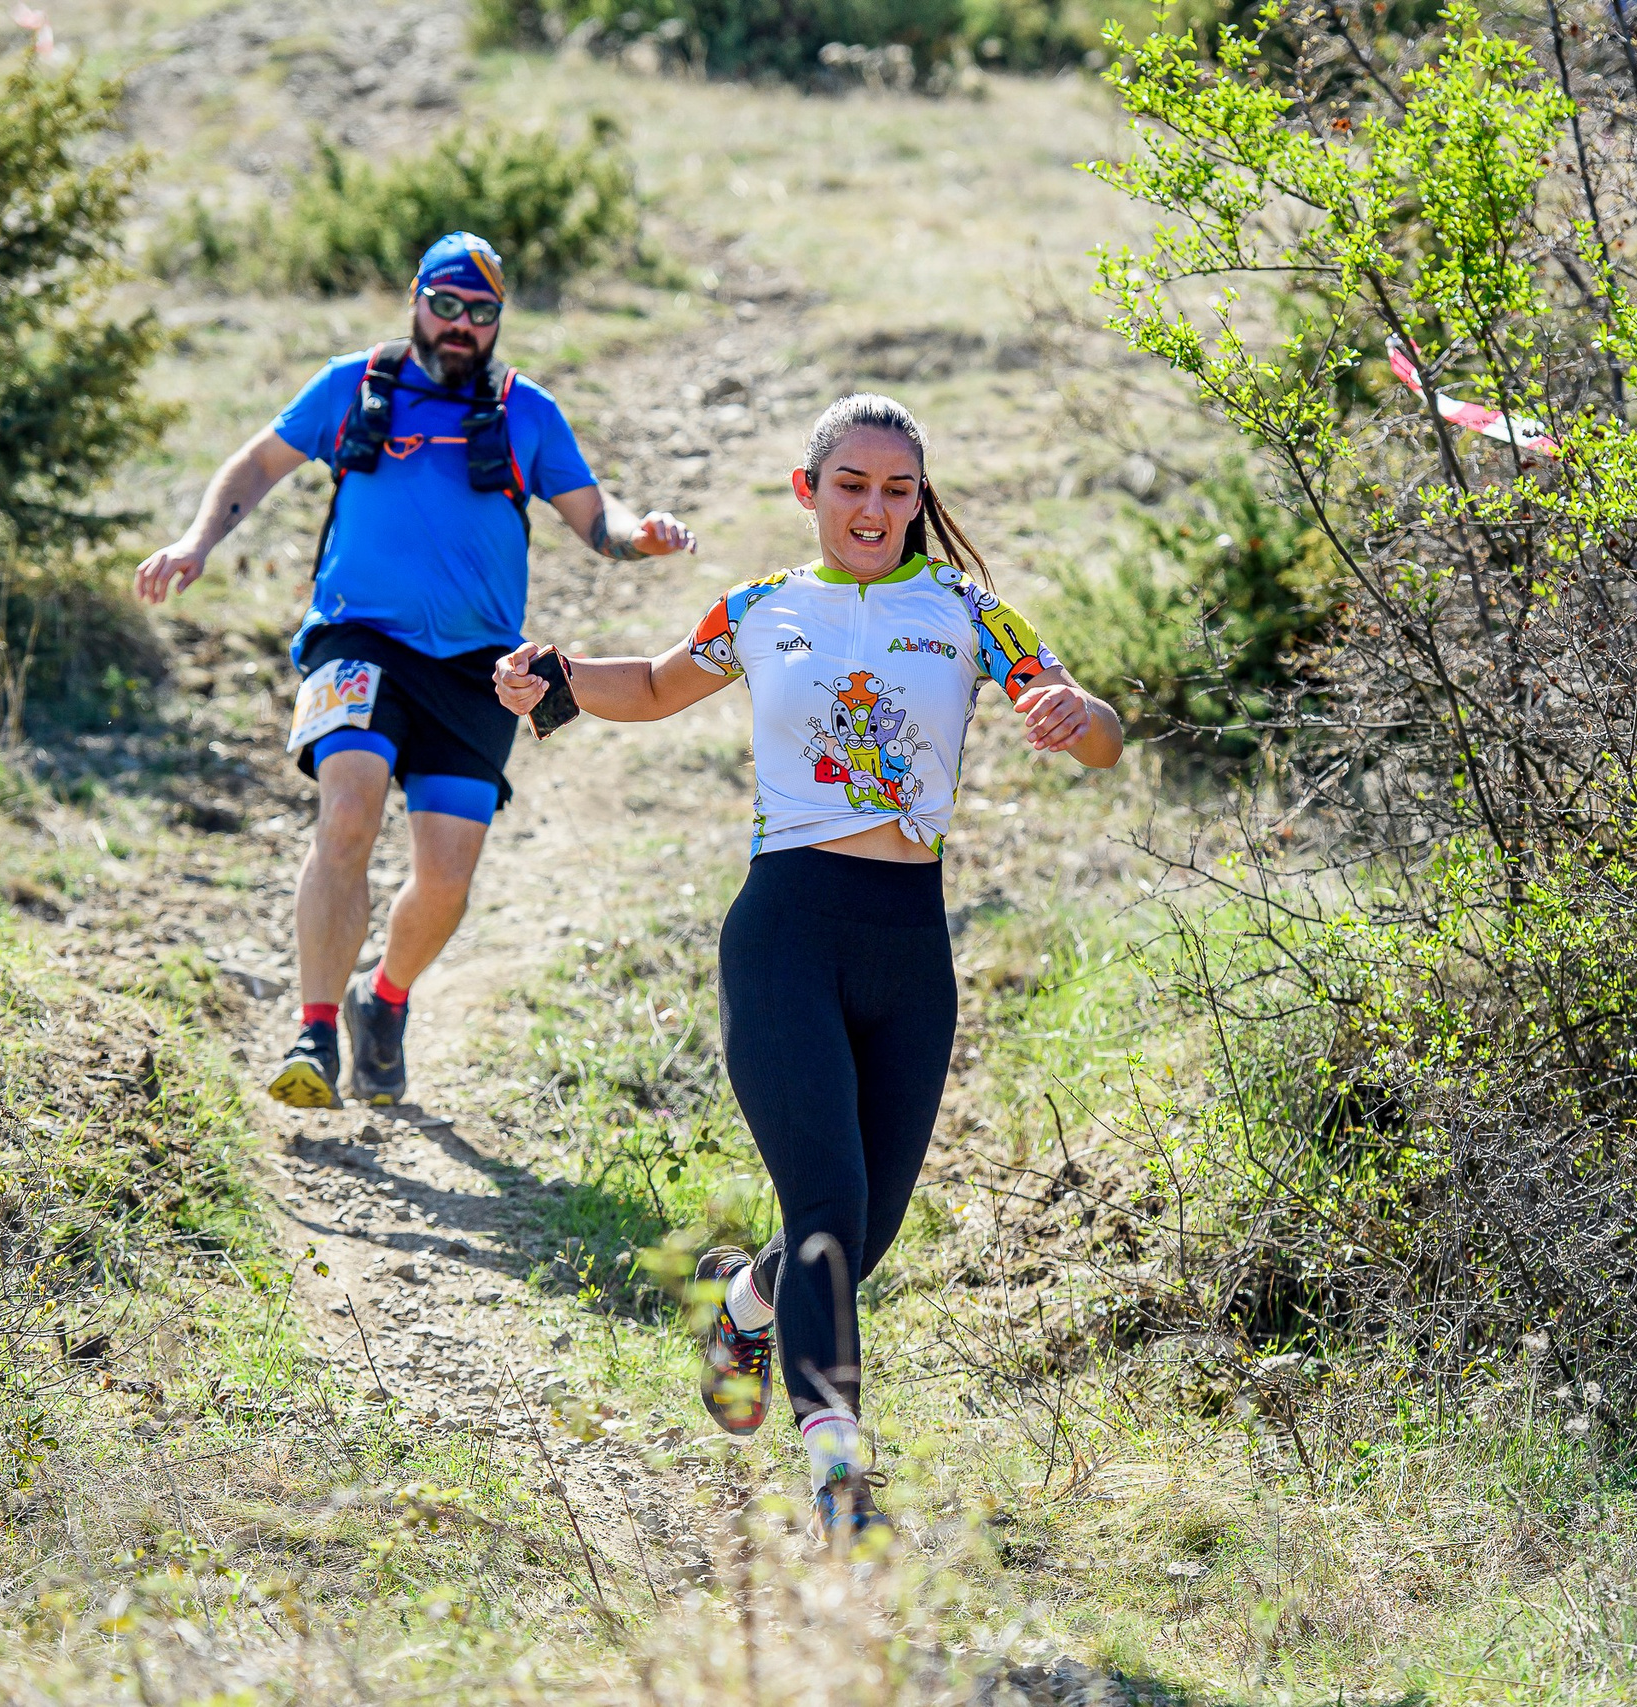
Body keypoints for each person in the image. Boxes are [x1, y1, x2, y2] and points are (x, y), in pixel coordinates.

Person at [494, 394, 1123, 1546]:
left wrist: (1077, 713)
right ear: (809, 491)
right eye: (851, 486)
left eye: (896, 489)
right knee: (825, 1211)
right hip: (786, 929)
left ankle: (741, 1308)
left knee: (861, 1237)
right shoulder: (761, 607)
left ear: (917, 500)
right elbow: (649, 684)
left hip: (909, 949)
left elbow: (1096, 736)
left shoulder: (968, 611)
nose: (874, 508)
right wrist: (559, 673)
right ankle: (841, 1481)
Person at [132, 231, 696, 1110]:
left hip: (478, 666)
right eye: (446, 305)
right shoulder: (354, 385)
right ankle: (314, 1030)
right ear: (414, 298)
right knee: (348, 811)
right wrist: (196, 542)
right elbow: (256, 463)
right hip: (358, 639)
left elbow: (595, 513)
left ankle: (382, 999)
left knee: (445, 876)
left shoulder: (524, 410)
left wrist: (639, 533)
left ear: (498, 321)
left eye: (481, 313)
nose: (461, 325)